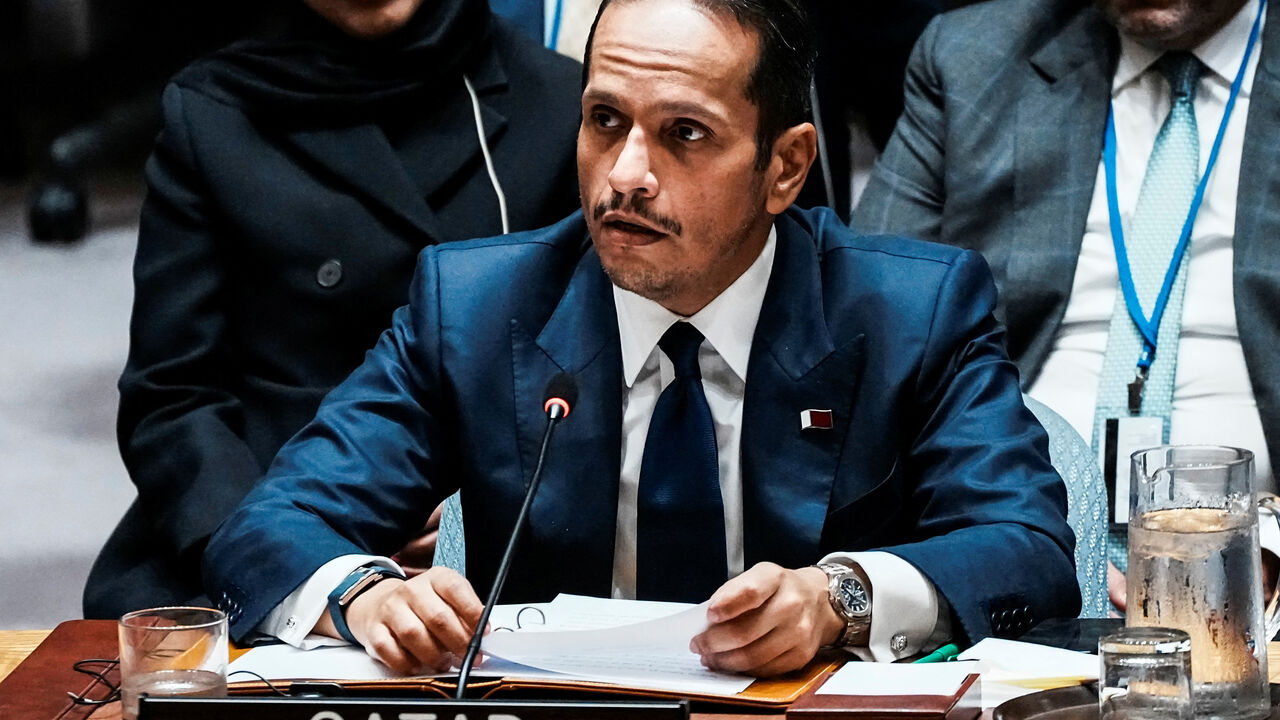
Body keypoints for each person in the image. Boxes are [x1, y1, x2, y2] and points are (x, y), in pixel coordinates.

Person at [204, 0, 1079, 677]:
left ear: (786, 167)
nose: (625, 175)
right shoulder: (473, 305)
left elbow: (1027, 549)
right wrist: (362, 597)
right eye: (605, 120)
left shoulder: (910, 309)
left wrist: (837, 598)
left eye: (683, 134)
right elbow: (271, 526)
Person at [83, 0, 583, 620]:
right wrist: (288, 550)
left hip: (487, 531)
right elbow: (172, 396)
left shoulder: (565, 105)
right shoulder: (212, 109)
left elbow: (595, 369)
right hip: (256, 512)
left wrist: (468, 516)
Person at [851, 0, 1278, 608]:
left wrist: (1267, 548)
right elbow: (868, 324)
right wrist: (1003, 552)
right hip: (1007, 538)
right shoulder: (977, 56)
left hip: (1255, 569)